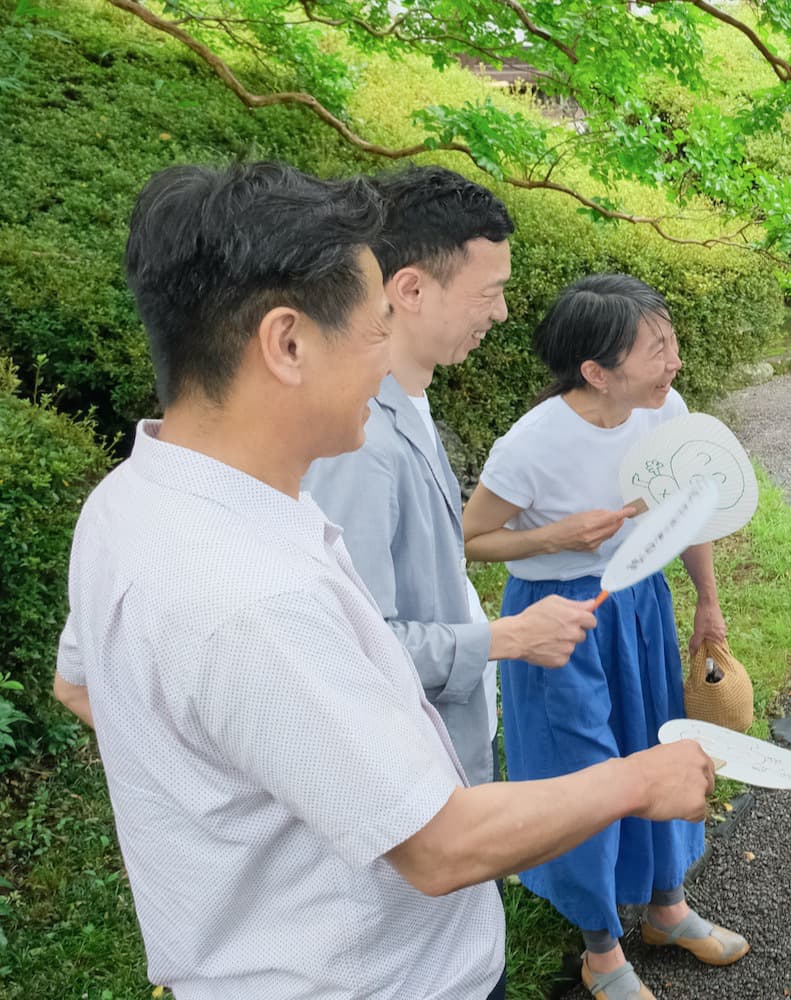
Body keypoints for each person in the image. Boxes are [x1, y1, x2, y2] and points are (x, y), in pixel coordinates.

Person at [53, 161, 715, 1000]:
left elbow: (80, 685)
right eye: (373, 331)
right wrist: (641, 777)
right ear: (287, 343)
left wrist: (234, 794)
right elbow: (439, 849)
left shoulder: (130, 501)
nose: (386, 362)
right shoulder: (251, 598)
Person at [462, 273, 745, 1000]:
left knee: (658, 747)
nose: (674, 362)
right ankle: (599, 948)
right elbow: (470, 538)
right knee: (582, 766)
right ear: (597, 372)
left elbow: (687, 514)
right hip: (556, 620)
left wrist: (706, 604)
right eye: (657, 349)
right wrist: (555, 535)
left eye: (671, 341)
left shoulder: (665, 411)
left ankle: (666, 906)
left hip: (639, 602)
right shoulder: (531, 444)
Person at [302, 165, 596, 784]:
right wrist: (504, 638)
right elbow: (357, 650)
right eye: (488, 292)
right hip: (410, 763)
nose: (503, 312)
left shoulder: (407, 398)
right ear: (409, 290)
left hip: (450, 732)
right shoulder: (359, 442)